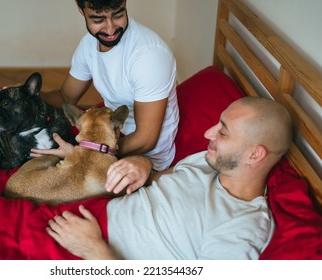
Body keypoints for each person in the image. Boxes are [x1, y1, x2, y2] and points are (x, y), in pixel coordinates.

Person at [45, 96, 293, 259]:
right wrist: (143, 164)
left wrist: (94, 251)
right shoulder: (207, 161)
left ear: (254, 155)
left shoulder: (242, 228)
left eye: (223, 133)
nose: (208, 133)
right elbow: (155, 178)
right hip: (83, 212)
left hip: (89, 249)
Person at [32, 0, 179, 171]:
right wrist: (26, 92)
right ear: (81, 10)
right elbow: (65, 97)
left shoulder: (149, 56)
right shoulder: (88, 45)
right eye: (97, 20)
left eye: (118, 15)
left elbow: (146, 139)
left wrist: (84, 152)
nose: (110, 29)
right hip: (105, 139)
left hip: (144, 158)